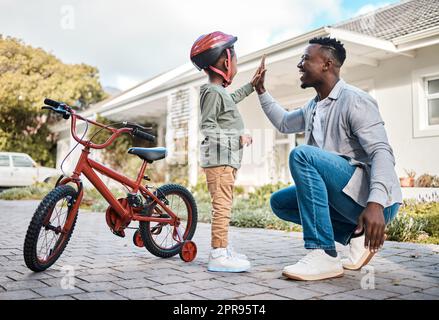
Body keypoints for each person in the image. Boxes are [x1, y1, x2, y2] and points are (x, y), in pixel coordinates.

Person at [254, 37, 402, 281]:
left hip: (375, 205)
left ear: (327, 64)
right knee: (280, 203)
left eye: (305, 59)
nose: (300, 65)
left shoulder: (355, 100)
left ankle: (323, 252)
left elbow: (381, 152)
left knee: (302, 155)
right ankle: (356, 237)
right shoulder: (313, 107)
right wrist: (261, 91)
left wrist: (375, 203)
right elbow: (283, 122)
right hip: (348, 199)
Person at [190, 31, 265, 272]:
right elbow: (208, 127)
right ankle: (218, 254)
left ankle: (222, 247)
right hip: (220, 161)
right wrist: (237, 136)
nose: (237, 65)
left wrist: (251, 86)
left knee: (224, 205)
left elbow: (230, 100)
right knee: (221, 207)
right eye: (237, 61)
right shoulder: (212, 92)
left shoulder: (219, 92)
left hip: (226, 160)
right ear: (226, 62)